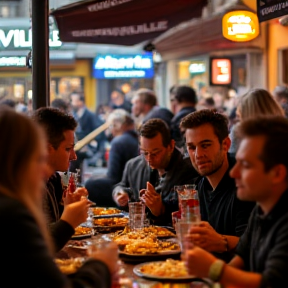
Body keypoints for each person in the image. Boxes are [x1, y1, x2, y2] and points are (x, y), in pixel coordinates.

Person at [0, 106, 115, 288]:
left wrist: (66, 210)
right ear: (15, 159)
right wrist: (101, 264)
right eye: (37, 158)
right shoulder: (11, 212)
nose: (45, 170)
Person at [185, 116, 288, 288]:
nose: (234, 173)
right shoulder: (262, 209)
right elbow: (242, 257)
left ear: (277, 174)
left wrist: (213, 270)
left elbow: (271, 283)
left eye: (246, 165)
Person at [180, 109, 254, 262]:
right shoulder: (198, 186)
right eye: (192, 147)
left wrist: (221, 242)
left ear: (226, 144)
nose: (198, 155)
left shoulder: (245, 185)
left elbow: (252, 245)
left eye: (205, 145)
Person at [112, 119, 198, 226]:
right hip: (137, 233)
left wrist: (161, 210)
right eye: (145, 152)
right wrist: (119, 193)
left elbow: (191, 220)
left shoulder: (189, 171)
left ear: (171, 146)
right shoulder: (133, 165)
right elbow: (122, 186)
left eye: (155, 153)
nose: (149, 159)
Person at [33, 108, 89, 251]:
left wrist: (67, 208)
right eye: (68, 149)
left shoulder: (53, 179)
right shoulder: (23, 187)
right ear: (47, 148)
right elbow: (35, 247)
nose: (74, 156)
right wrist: (68, 222)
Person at [85, 109, 139, 207]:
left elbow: (113, 176)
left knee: (90, 184)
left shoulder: (118, 142)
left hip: (122, 188)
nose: (110, 130)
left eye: (111, 126)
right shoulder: (136, 138)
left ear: (118, 125)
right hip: (134, 184)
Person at [229, 88, 284, 155]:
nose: (239, 121)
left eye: (240, 117)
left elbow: (234, 158)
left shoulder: (239, 132)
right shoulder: (283, 131)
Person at [70, 92, 107, 171]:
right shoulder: (73, 114)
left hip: (87, 149)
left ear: (80, 102)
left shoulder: (90, 115)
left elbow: (98, 133)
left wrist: (91, 144)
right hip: (77, 147)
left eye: (73, 101)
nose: (72, 103)